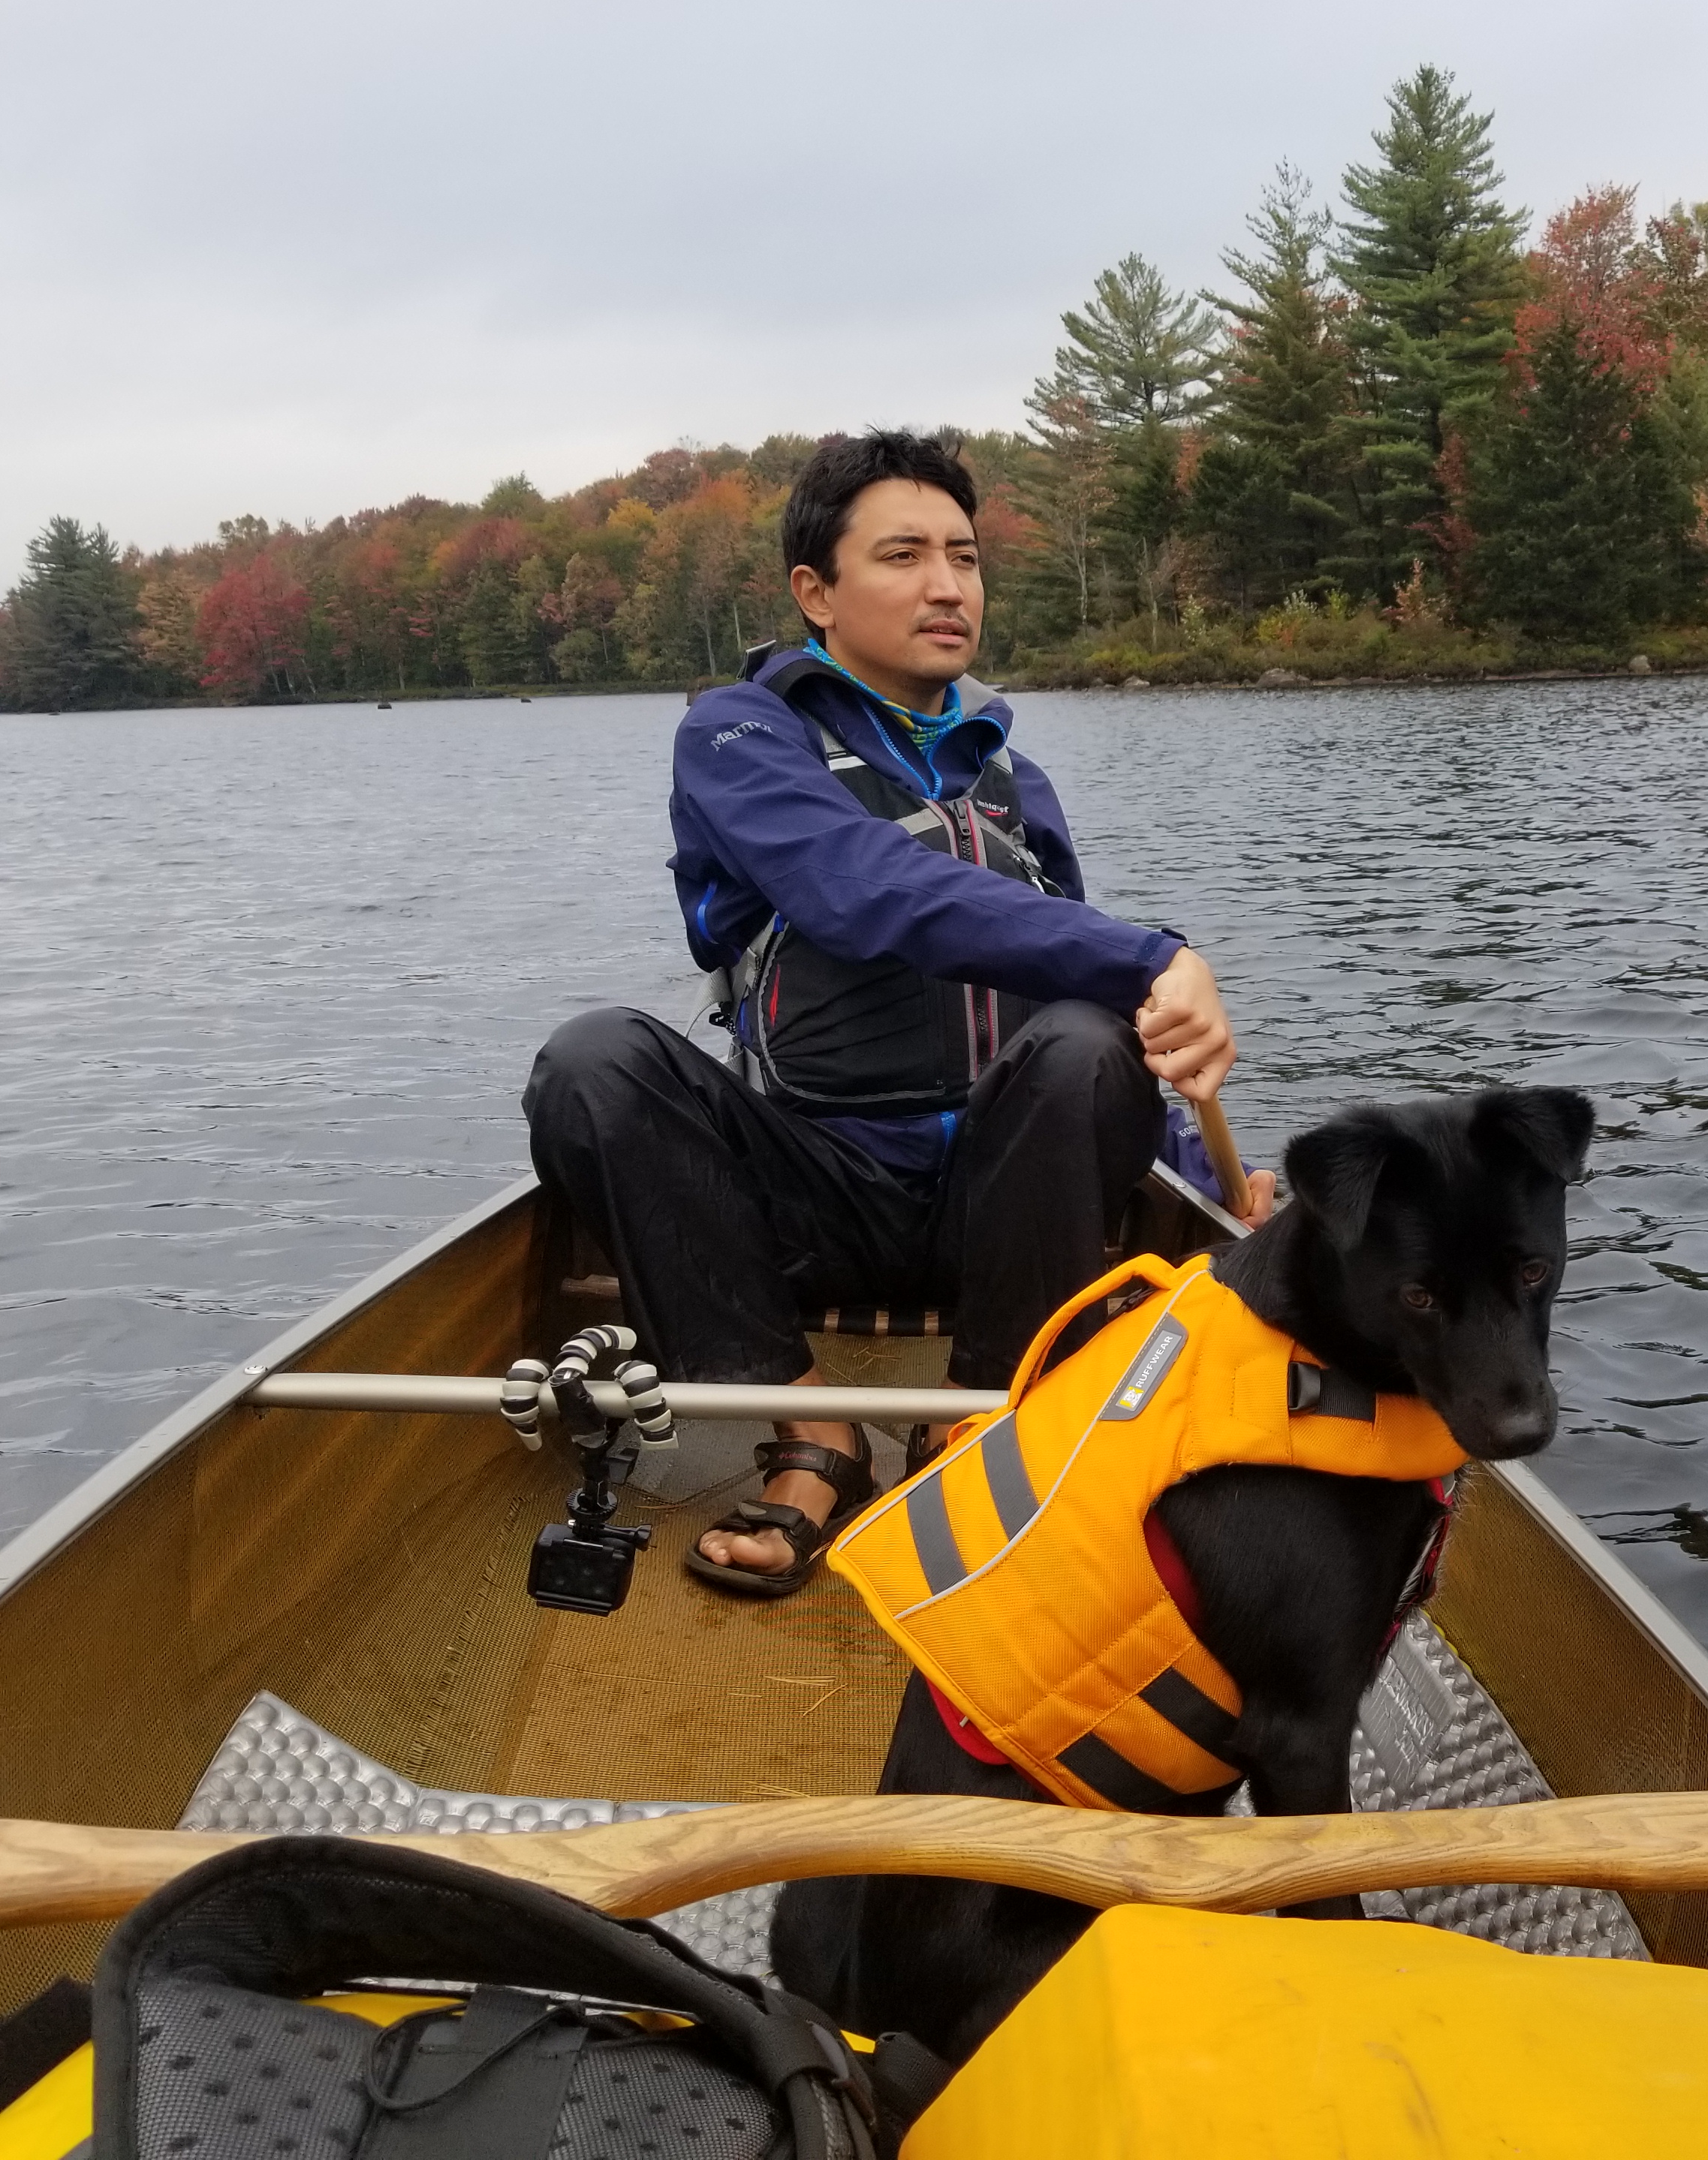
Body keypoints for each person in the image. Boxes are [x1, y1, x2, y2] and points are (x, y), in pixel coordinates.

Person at [523, 429, 1267, 1598]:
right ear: (815, 594)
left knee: (1082, 1041)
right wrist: (1156, 954)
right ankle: (810, 1435)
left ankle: (971, 1427)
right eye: (905, 555)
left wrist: (1210, 1182)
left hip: (1007, 1205)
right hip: (816, 1193)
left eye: (965, 558)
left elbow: (1090, 1024)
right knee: (593, 1061)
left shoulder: (1017, 781)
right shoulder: (735, 737)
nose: (946, 585)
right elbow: (858, 889)